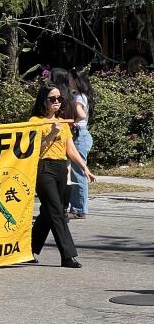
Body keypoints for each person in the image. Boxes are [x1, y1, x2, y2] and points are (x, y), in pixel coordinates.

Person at [29, 83, 96, 268]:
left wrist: (84, 167)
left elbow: (70, 148)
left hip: (60, 168)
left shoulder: (63, 122)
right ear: (44, 100)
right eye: (52, 99)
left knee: (47, 212)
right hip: (43, 168)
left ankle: (28, 249)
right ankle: (68, 255)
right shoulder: (35, 121)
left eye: (59, 98)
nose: (57, 102)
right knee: (57, 212)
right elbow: (34, 149)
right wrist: (51, 133)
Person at [67, 68, 94, 219]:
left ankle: (79, 210)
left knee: (78, 173)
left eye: (70, 78)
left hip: (80, 136)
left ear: (76, 80)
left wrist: (73, 122)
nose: (68, 81)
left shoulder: (78, 98)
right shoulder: (82, 96)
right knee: (76, 172)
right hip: (83, 135)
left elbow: (82, 114)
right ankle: (76, 208)